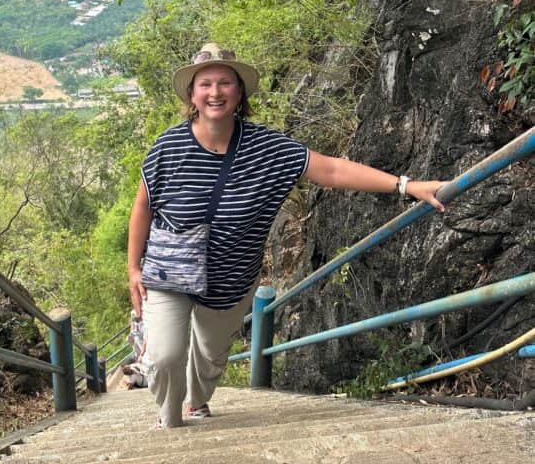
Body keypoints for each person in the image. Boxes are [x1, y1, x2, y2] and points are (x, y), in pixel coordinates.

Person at [128, 43, 445, 429]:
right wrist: (133, 268)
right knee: (164, 355)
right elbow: (143, 206)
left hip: (231, 279)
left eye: (225, 82)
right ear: (192, 95)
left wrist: (404, 186)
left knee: (210, 356)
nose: (215, 92)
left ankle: (196, 401)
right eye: (205, 84)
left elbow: (330, 171)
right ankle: (170, 420)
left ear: (239, 92)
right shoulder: (168, 146)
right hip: (170, 272)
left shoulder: (267, 148)